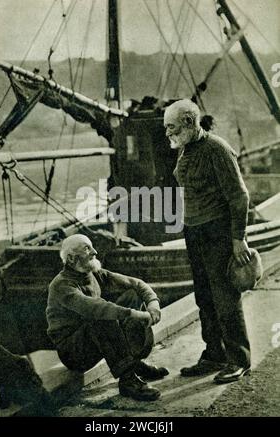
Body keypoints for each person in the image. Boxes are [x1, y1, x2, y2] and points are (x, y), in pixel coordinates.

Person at [163, 99, 251, 384]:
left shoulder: (218, 149)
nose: (168, 134)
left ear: (189, 123)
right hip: (195, 232)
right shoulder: (186, 147)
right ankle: (214, 354)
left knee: (225, 297)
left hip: (218, 233)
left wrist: (238, 239)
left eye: (172, 127)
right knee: (204, 297)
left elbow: (240, 197)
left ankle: (239, 360)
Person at [46, 234, 169, 401]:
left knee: (132, 295)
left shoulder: (93, 273)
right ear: (71, 258)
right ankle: (127, 381)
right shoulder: (61, 285)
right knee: (101, 315)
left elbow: (136, 284)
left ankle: (134, 364)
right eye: (87, 248)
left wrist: (153, 304)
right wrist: (138, 314)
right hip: (73, 352)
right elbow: (96, 309)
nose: (95, 251)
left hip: (94, 340)